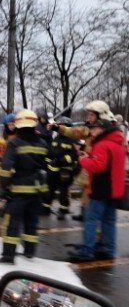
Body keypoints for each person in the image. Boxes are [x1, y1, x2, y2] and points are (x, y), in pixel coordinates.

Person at [0, 109, 49, 264]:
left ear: (18, 124)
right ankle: (29, 252)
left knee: (12, 223)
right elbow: (45, 168)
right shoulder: (43, 144)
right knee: (31, 222)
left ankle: (8, 256)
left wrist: (4, 189)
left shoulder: (14, 143)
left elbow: (6, 169)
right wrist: (44, 193)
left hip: (18, 191)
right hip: (36, 191)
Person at [67, 113, 126, 261]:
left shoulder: (102, 144)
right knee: (109, 221)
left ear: (102, 130)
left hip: (101, 189)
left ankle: (87, 250)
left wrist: (82, 159)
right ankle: (107, 248)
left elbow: (98, 166)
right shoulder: (119, 144)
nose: (92, 132)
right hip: (114, 190)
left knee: (91, 220)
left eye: (94, 129)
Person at [50, 100, 112, 221]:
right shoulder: (89, 129)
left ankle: (94, 229)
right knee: (85, 191)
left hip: (99, 172)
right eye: (88, 114)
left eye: (92, 115)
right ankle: (84, 215)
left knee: (94, 202)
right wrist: (58, 128)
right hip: (89, 168)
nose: (88, 117)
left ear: (101, 116)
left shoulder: (106, 133)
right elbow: (74, 132)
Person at [42, 117, 79, 220]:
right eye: (60, 125)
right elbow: (50, 152)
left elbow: (74, 156)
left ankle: (63, 210)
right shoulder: (56, 138)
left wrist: (62, 160)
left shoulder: (72, 141)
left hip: (65, 171)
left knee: (63, 191)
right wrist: (47, 162)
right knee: (49, 190)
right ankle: (46, 208)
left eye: (64, 126)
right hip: (52, 170)